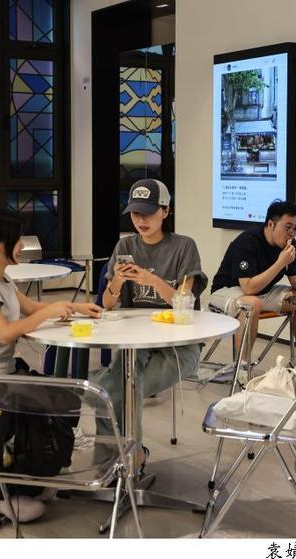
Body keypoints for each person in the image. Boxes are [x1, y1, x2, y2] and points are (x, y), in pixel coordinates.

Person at [0, 207, 102, 522]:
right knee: (34, 410)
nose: (22, 245)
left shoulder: (0, 277)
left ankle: (34, 478)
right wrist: (48, 313)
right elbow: (4, 333)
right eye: (16, 240)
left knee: (60, 396)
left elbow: (30, 307)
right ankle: (4, 494)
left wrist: (75, 307)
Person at [92, 178, 207, 470]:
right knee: (113, 389)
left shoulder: (184, 246)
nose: (141, 220)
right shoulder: (125, 245)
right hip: (136, 344)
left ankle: (129, 459)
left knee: (119, 388)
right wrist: (118, 281)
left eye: (148, 212)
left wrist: (151, 279)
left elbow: (184, 302)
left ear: (166, 211)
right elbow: (107, 304)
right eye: (135, 213)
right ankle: (114, 463)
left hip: (179, 346)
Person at [209, 201, 296, 378]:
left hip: (262, 292)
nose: (292, 233)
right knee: (252, 304)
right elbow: (248, 287)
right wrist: (280, 263)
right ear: (271, 224)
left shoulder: (291, 245)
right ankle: (242, 369)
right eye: (288, 227)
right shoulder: (247, 242)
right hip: (228, 291)